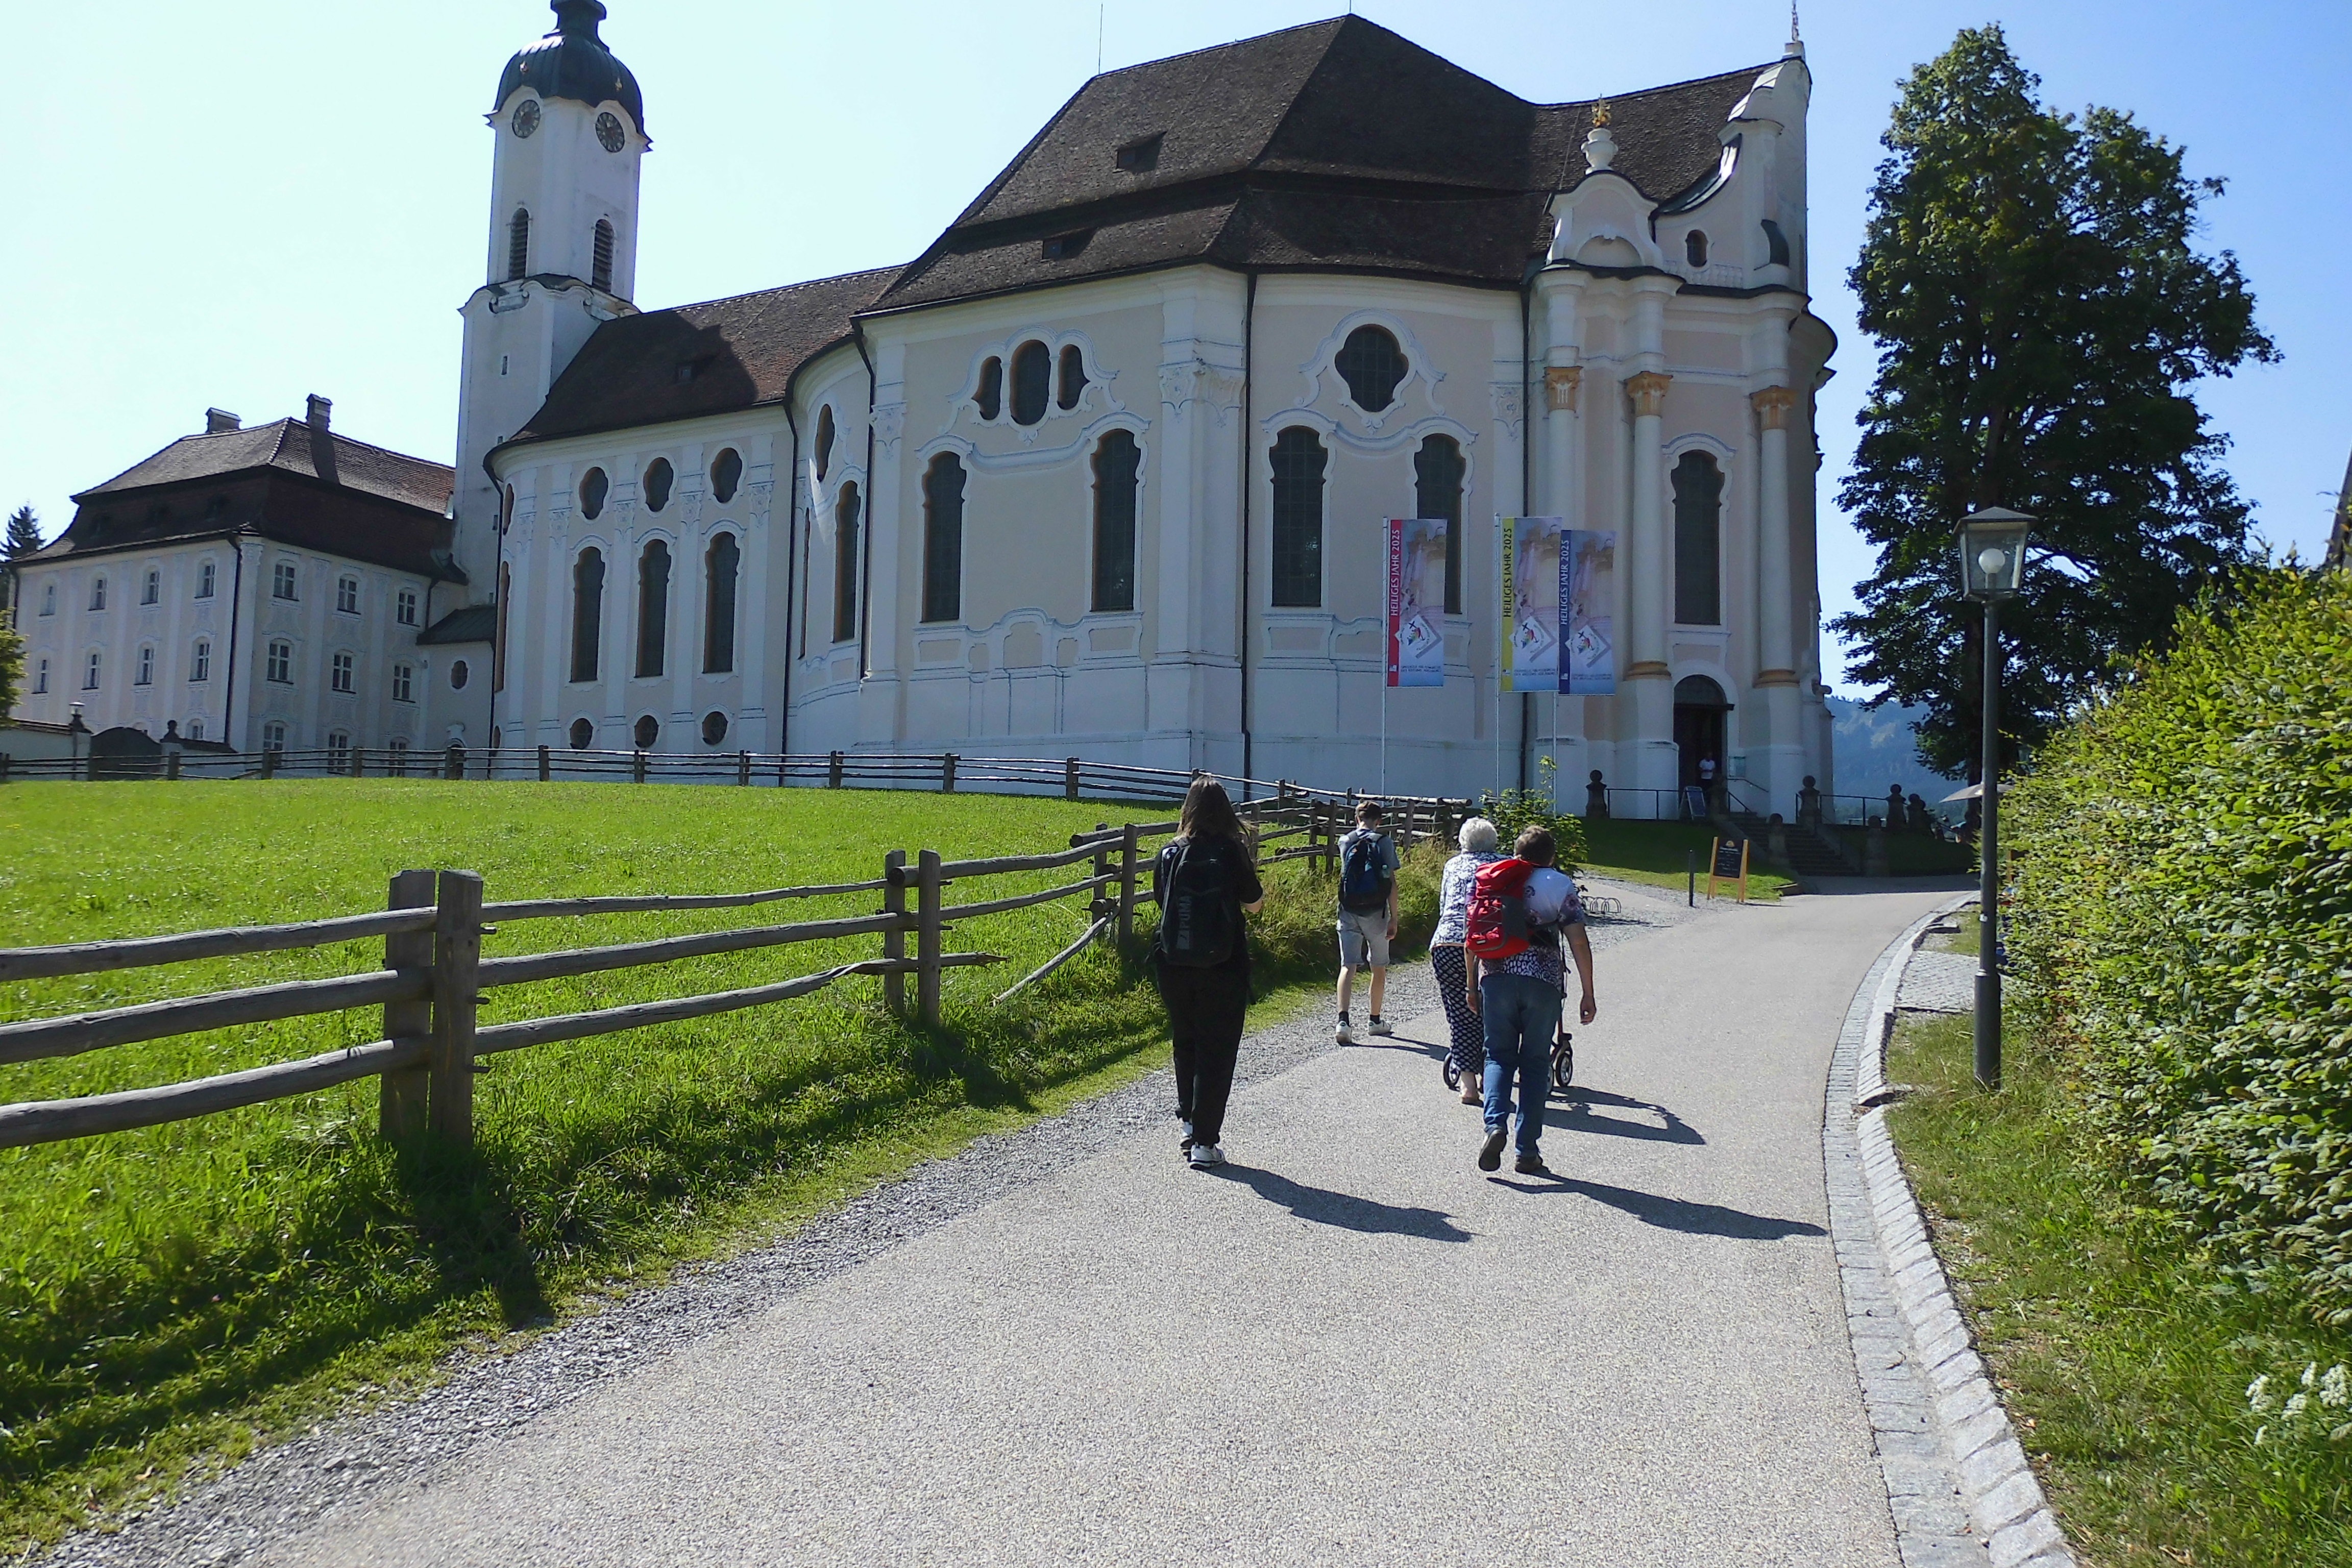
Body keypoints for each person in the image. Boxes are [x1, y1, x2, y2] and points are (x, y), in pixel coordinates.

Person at [1466, 826, 1597, 1176]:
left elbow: (1473, 935)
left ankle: (1495, 1126)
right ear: (1550, 857)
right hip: (1543, 980)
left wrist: (1470, 986)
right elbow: (1578, 941)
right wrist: (1588, 991)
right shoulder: (1559, 884)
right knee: (1536, 1063)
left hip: (1495, 977)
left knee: (1497, 1056)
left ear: (1517, 851)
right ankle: (1527, 1151)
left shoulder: (1492, 878)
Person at [1151, 776, 1265, 1169]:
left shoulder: (1169, 852)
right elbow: (1254, 904)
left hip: (1173, 960)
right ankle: (1205, 1141)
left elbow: (1160, 901)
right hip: (1223, 962)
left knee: (1186, 1041)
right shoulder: (1230, 850)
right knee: (1217, 1050)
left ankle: (1187, 1121)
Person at [1431, 817, 1505, 1105]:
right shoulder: (1503, 864)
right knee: (1493, 1013)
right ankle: (1492, 1075)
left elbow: (1443, 905)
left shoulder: (1452, 865)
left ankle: (1468, 1085)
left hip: (1447, 943)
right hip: (1488, 943)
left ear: (1463, 843)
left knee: (1460, 1013)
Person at [1333, 800, 1400, 1044]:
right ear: (1379, 820)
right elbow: (1390, 881)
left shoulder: (1345, 841)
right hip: (1376, 912)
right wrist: (1394, 917)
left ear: (1355, 819)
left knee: (1348, 965)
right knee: (1378, 965)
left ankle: (1343, 1022)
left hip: (1348, 909)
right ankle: (1374, 1020)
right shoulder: (1384, 842)